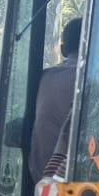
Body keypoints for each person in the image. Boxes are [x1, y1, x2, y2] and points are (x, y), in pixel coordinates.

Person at [29, 18, 81, 182]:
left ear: (63, 50)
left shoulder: (43, 78)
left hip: (41, 183)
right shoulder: (95, 80)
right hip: (82, 185)